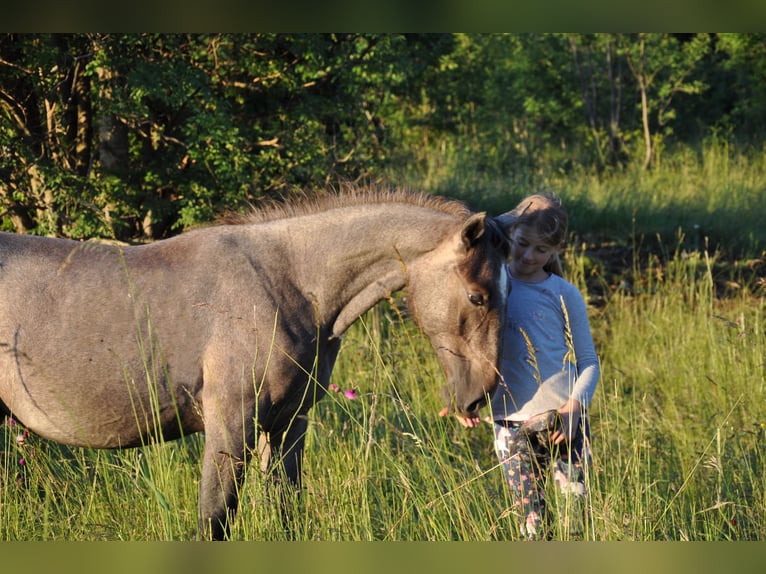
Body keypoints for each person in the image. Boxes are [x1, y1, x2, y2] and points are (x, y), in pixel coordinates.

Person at [441, 192, 600, 540]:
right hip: (508, 425)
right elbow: (465, 345)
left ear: (555, 251)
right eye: (523, 243)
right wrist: (461, 397)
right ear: (511, 235)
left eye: (541, 250)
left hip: (564, 422)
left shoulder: (562, 293)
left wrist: (575, 406)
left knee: (577, 524)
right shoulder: (492, 286)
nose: (529, 256)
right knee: (532, 526)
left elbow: (588, 362)